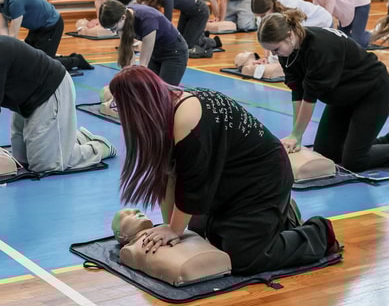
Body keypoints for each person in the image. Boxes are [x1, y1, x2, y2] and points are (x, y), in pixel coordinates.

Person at [108, 66, 340, 276]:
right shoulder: (165, 111)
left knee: (243, 259)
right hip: (228, 178)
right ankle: (275, 216)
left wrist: (174, 230)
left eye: (119, 106)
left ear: (137, 105)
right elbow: (168, 176)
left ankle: (318, 233)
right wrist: (172, 229)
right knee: (204, 235)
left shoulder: (185, 116)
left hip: (262, 178)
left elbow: (192, 185)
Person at [257, 11, 389, 172]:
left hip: (372, 93)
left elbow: (309, 99)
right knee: (326, 154)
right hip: (344, 96)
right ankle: (384, 142)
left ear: (289, 36)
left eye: (276, 49)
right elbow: (297, 90)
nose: (274, 54)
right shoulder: (287, 52)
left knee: (355, 162)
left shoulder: (319, 48)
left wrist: (296, 134)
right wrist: (297, 135)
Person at [0, 30, 116, 174]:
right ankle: (74, 136)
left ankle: (98, 146)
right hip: (26, 99)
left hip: (50, 90)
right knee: (21, 159)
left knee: (47, 165)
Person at [0, 0, 92, 71]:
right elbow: (3, 28)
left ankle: (76, 60)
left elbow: (13, 36)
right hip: (36, 28)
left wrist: (4, 54)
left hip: (51, 26)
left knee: (44, 64)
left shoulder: (15, 1)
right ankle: (60, 57)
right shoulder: (1, 1)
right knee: (30, 59)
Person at [112, 208, 232, 286]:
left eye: (138, 211)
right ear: (121, 235)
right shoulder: (130, 250)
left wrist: (173, 228)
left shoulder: (177, 230)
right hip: (188, 268)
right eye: (128, 214)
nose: (137, 213)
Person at [99, 0, 189, 86]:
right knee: (150, 89)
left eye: (113, 28)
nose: (114, 32)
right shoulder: (123, 19)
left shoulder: (147, 20)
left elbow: (143, 65)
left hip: (174, 52)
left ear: (123, 17)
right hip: (156, 51)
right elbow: (128, 56)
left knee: (164, 92)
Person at [134, 0, 210, 51]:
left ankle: (210, 41)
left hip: (199, 11)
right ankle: (198, 35)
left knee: (187, 46)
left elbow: (167, 19)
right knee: (181, 41)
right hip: (186, 12)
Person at [251, 0, 334, 28]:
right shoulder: (262, 17)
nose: (262, 18)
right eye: (258, 16)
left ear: (270, 8)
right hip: (307, 26)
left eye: (263, 15)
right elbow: (266, 37)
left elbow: (297, 32)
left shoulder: (290, 4)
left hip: (322, 21)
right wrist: (267, 57)